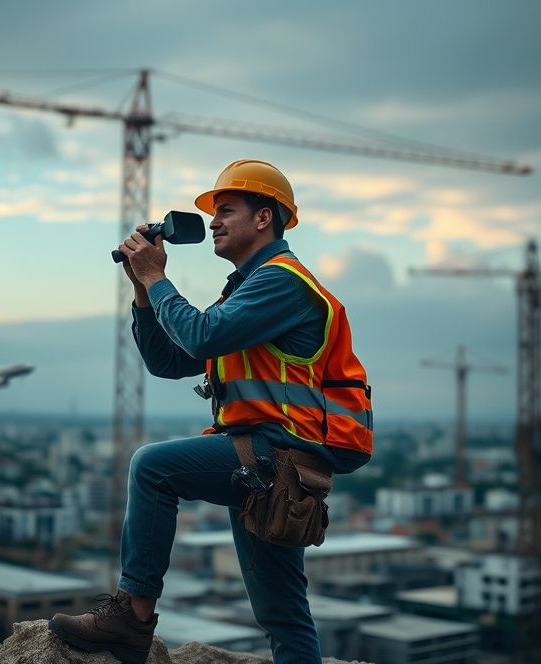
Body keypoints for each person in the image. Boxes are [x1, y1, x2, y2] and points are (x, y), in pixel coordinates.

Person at [49, 159, 373, 664]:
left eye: (226, 209)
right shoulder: (246, 289)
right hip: (270, 465)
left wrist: (158, 277)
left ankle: (131, 619)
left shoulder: (283, 282)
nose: (215, 221)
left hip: (276, 454)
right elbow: (170, 360)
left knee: (152, 467)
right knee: (283, 611)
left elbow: (202, 333)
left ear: (264, 218)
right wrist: (143, 289)